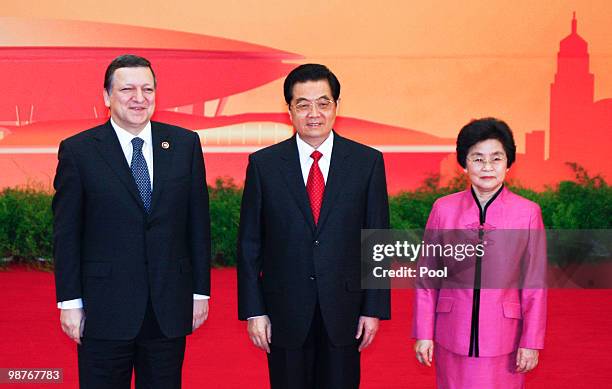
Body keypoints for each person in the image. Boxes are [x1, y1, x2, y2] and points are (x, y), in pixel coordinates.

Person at [53, 54, 211, 389]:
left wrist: (200, 292)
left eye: (147, 89)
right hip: (103, 308)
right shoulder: (79, 151)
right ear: (107, 97)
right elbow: (66, 234)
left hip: (167, 306)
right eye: (127, 90)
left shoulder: (184, 144)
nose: (139, 98)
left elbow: (198, 224)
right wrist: (69, 302)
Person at [237, 63, 390, 389]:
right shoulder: (263, 165)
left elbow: (377, 241)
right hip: (284, 311)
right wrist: (254, 311)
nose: (314, 113)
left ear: (336, 106)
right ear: (289, 109)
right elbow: (250, 244)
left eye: (323, 103)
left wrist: (373, 309)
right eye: (302, 105)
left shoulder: (367, 162)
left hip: (345, 311)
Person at [412, 118, 547, 388]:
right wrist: (424, 333)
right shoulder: (444, 209)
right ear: (464, 163)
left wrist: (531, 341)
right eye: (477, 158)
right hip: (452, 333)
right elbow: (427, 278)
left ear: (509, 163)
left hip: (505, 338)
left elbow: (535, 284)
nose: (487, 167)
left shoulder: (528, 213)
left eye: (496, 158)